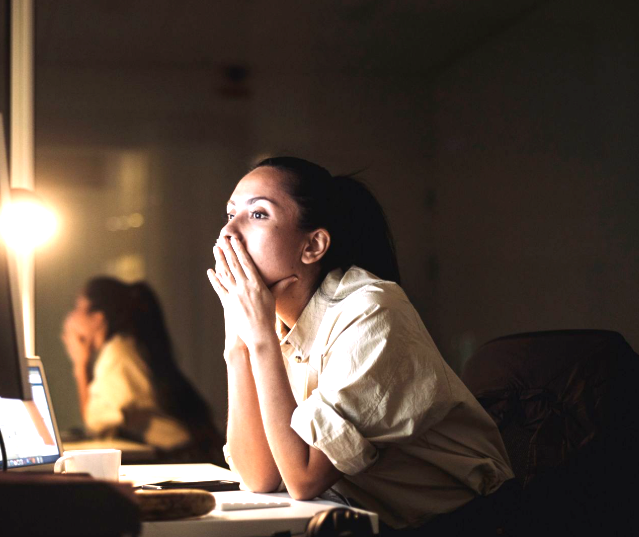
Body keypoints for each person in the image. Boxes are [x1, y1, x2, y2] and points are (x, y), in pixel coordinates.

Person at [206, 157, 514, 533]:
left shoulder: (371, 310)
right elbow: (260, 477)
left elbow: (303, 479)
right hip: (360, 521)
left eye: (257, 215)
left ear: (313, 245)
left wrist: (260, 341)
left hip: (461, 524)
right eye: (230, 213)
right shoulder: (272, 324)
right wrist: (237, 345)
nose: (228, 233)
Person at [61, 277, 224, 464]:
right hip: (185, 453)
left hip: (181, 457)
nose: (70, 317)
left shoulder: (117, 353)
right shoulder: (126, 346)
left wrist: (80, 365)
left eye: (78, 307)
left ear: (98, 318)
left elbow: (96, 423)